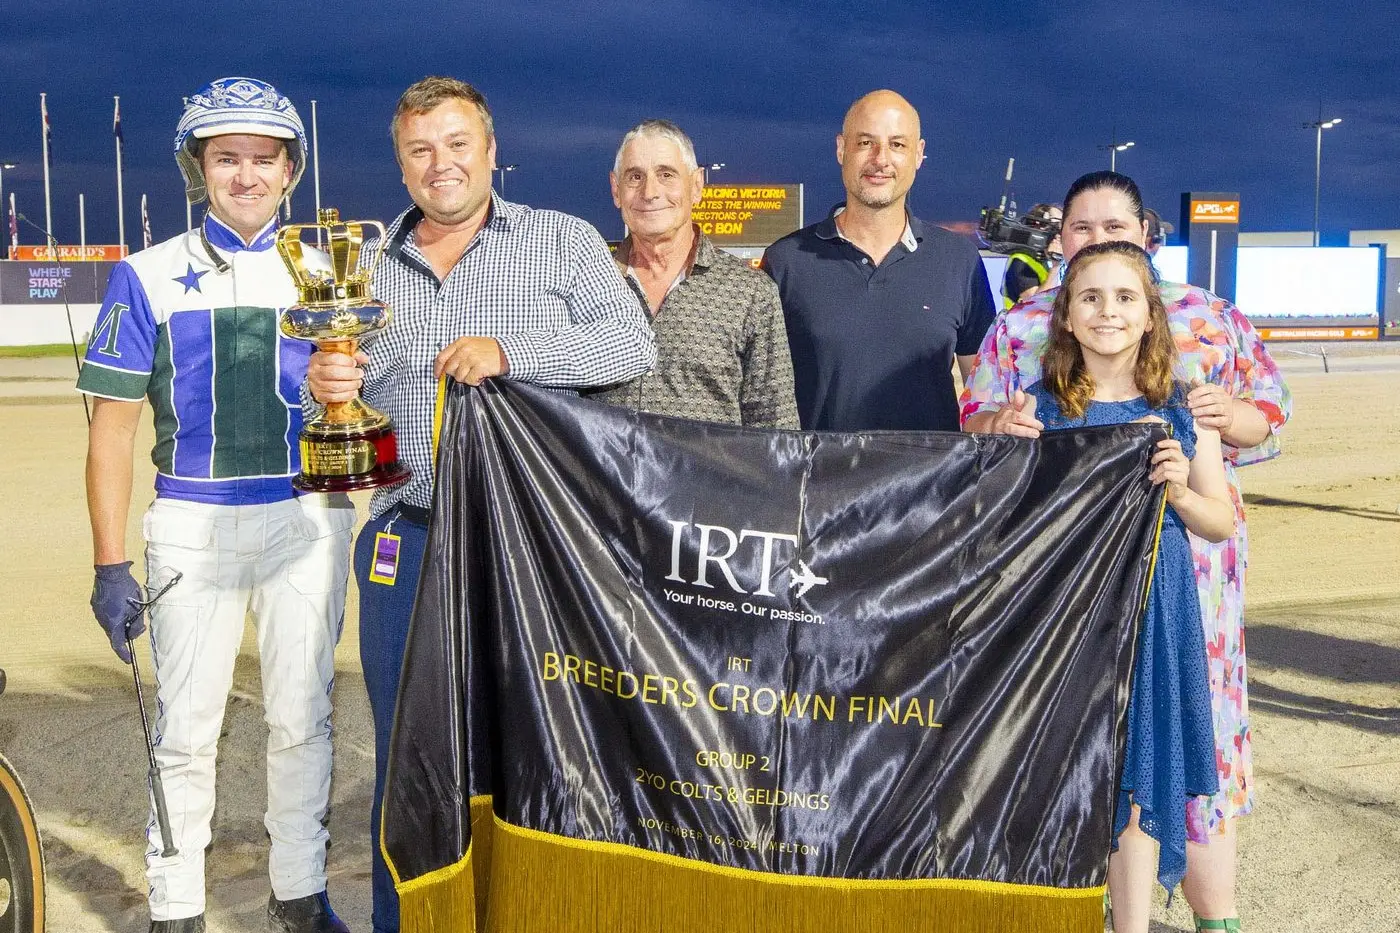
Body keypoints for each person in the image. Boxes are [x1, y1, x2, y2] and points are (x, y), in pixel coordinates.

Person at [305, 76, 656, 933]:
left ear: (492, 152)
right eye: (421, 150)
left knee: (535, 747)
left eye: (458, 144)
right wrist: (328, 389)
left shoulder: (561, 241)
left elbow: (630, 343)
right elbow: (350, 418)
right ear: (401, 164)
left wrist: (512, 348)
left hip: (530, 549)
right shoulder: (368, 263)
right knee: (408, 755)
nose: (442, 164)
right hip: (410, 540)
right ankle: (410, 921)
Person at [962, 170, 1292, 933]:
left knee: (1166, 759)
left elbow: (1265, 419)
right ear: (1062, 252)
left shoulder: (1207, 330)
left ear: (1147, 236)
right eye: (1083, 228)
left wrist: (1214, 427)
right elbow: (980, 442)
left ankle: (1206, 914)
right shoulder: (1019, 335)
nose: (1102, 239)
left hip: (1177, 593)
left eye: (1117, 224)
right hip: (1066, 603)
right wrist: (1001, 435)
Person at [79, 77, 354, 933]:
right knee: (185, 729)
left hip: (305, 518)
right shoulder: (145, 274)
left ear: (288, 171)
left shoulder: (324, 271)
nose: (245, 174)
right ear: (198, 168)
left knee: (303, 717)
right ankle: (177, 907)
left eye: (262, 159)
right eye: (226, 158)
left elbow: (352, 400)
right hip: (190, 523)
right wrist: (108, 559)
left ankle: (299, 889)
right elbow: (113, 429)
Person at [993, 241, 1229, 931]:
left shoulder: (1182, 408)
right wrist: (1010, 449)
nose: (1108, 312)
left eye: (1125, 298)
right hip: (1067, 615)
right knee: (1062, 769)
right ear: (1064, 315)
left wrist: (1181, 491)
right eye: (1091, 297)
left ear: (1150, 314)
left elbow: (1218, 520)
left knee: (1134, 778)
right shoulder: (1037, 409)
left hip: (1153, 606)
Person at [762, 89, 997, 431]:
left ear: (919, 154)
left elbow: (983, 400)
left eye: (897, 145)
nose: (881, 159)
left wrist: (998, 422)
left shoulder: (960, 261)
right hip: (821, 482)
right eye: (865, 143)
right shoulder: (786, 262)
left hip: (931, 483)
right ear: (841, 149)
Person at [588, 119, 799, 427]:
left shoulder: (750, 293)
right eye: (635, 177)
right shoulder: (585, 284)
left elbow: (776, 428)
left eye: (666, 175)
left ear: (697, 185)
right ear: (616, 190)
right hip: (602, 477)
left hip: (710, 477)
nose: (650, 192)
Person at [1000, 202, 1063, 306]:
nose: (1058, 233)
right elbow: (1034, 303)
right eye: (1054, 227)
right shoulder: (1022, 261)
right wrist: (1055, 267)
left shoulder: (1055, 260)